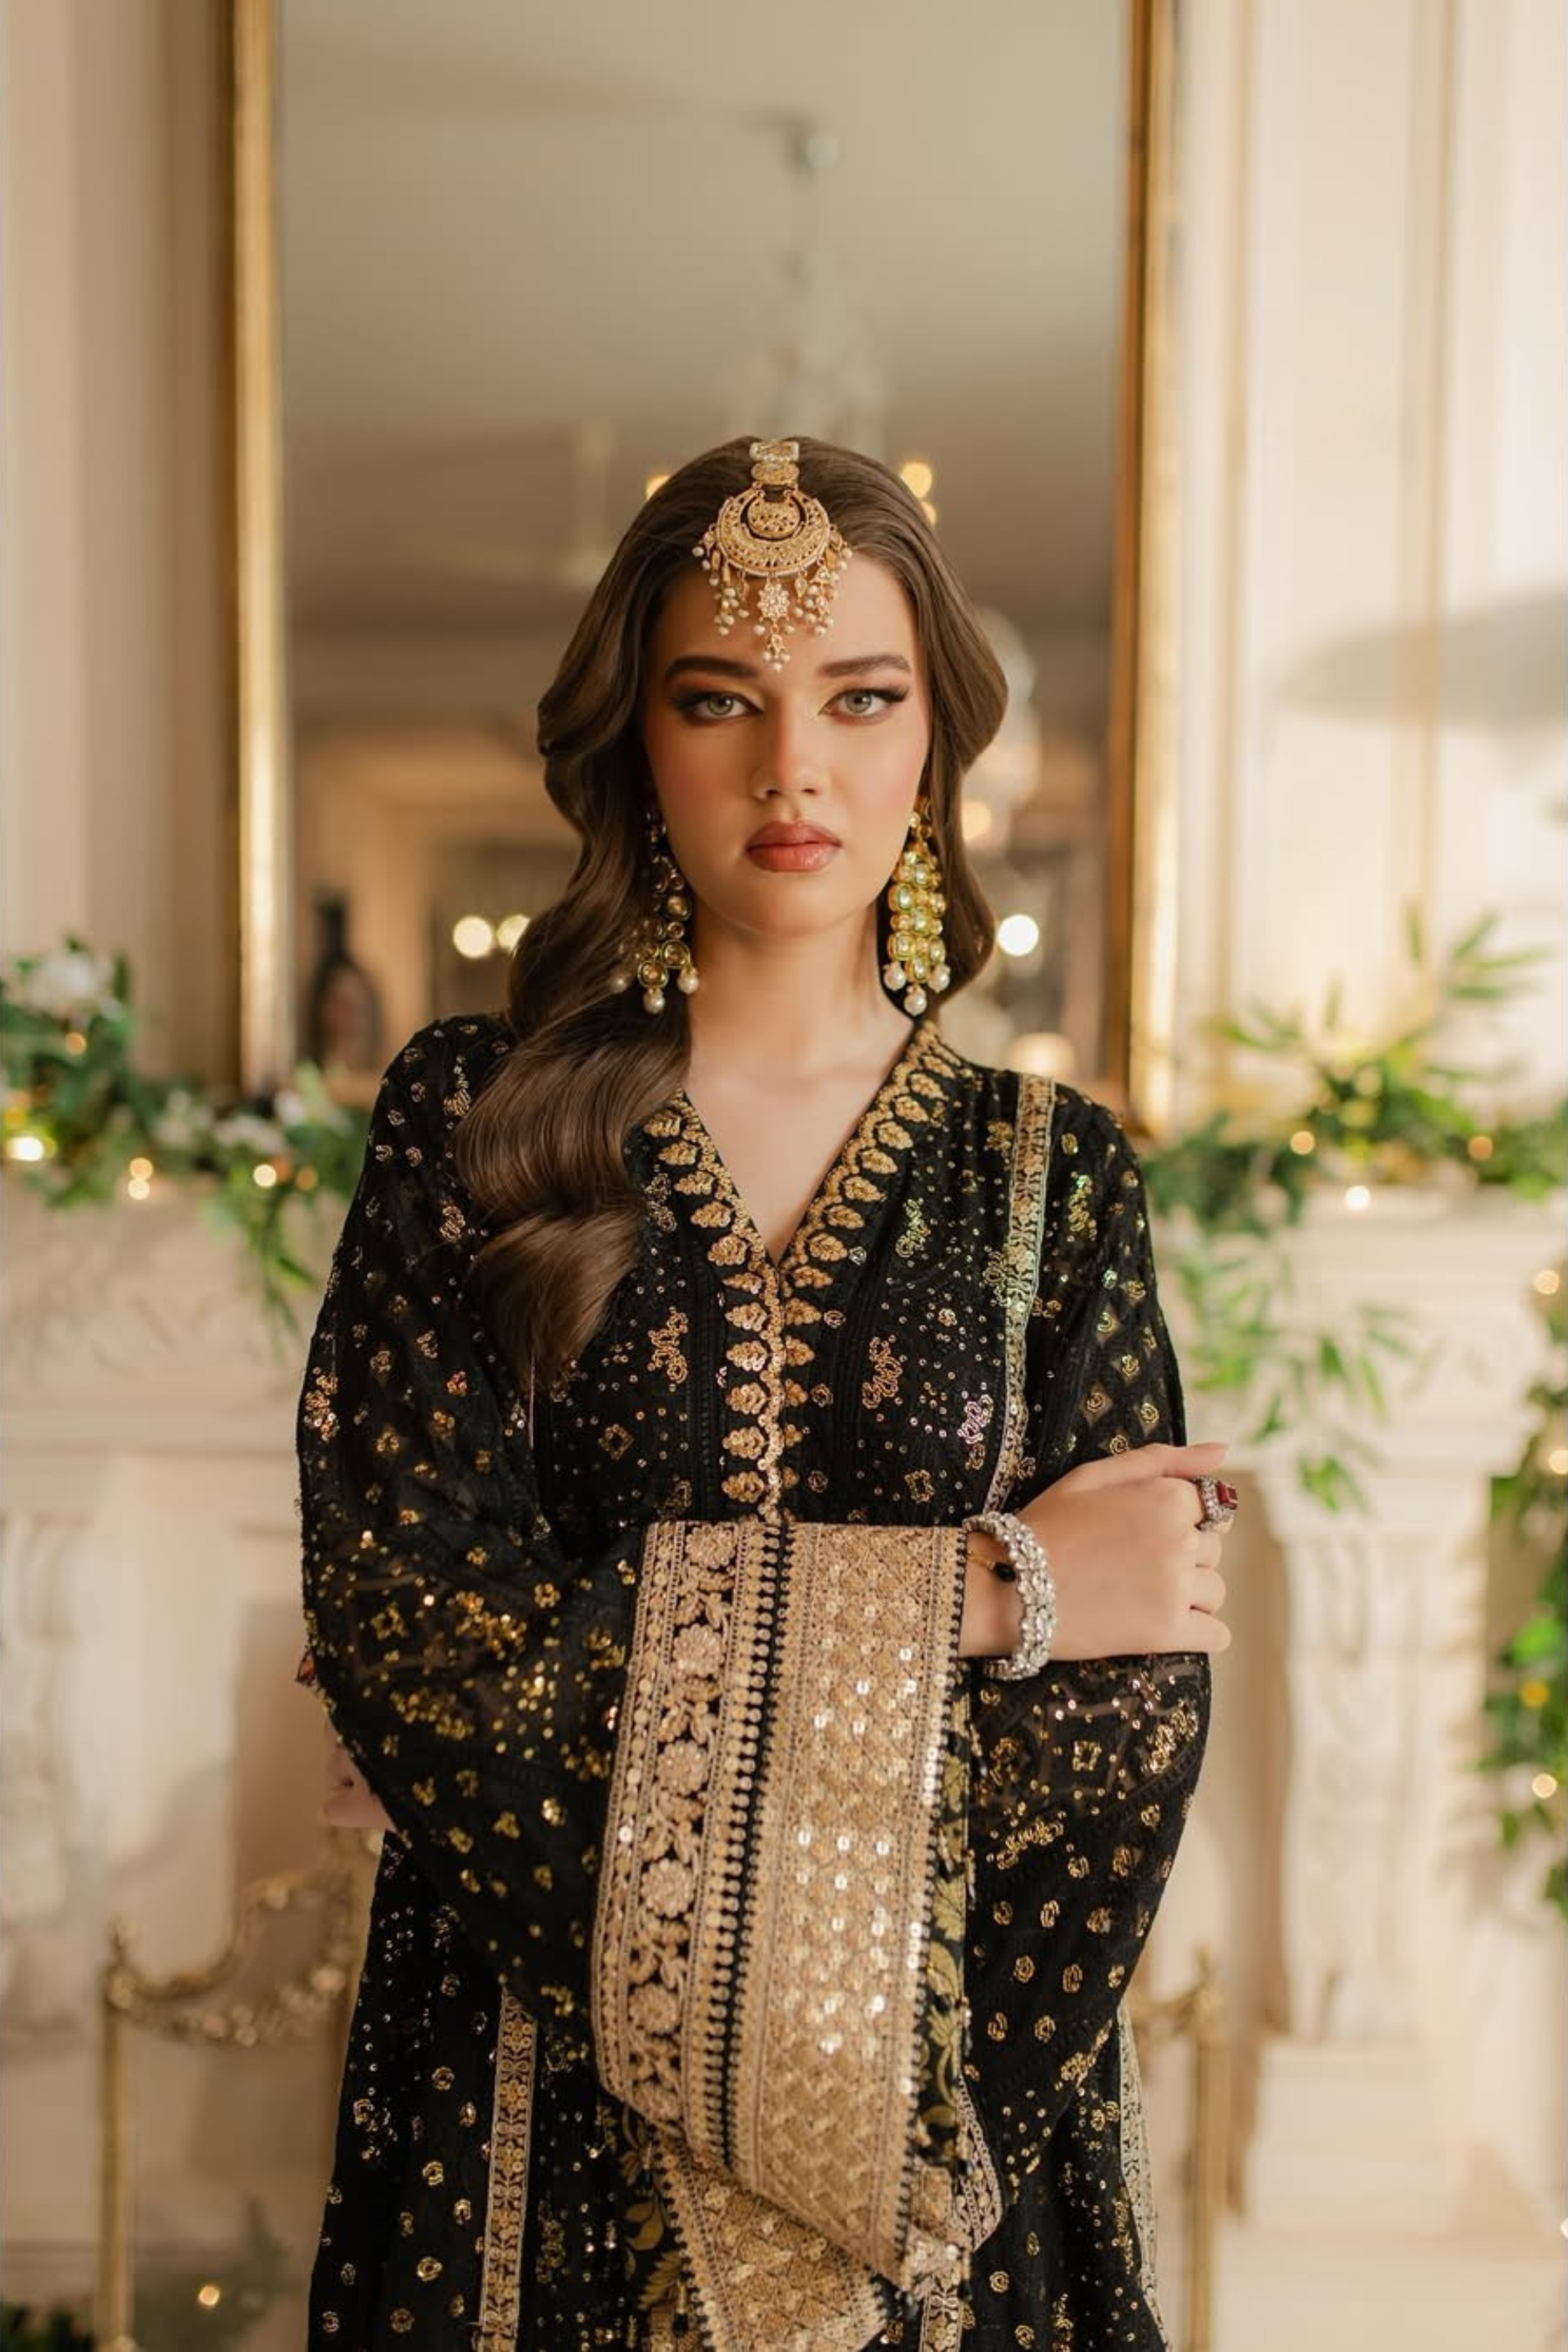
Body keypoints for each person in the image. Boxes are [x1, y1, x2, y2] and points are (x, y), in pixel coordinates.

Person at [298, 437, 1235, 2351]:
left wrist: (879, 2142)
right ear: (638, 740)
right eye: (718, 700)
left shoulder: (1055, 1180)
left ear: (935, 739)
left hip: (952, 2163)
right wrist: (987, 1594)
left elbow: (1131, 1720)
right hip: (523, 2107)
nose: (791, 767)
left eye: (860, 698)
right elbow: (418, 1636)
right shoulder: (473, 1124)